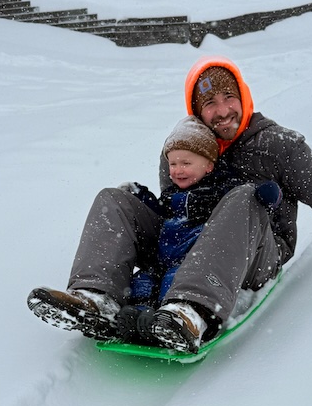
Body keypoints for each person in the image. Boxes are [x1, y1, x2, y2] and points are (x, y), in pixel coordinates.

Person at [28, 55, 312, 354]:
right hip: (196, 246)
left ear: (243, 95)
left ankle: (192, 312)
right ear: (196, 111)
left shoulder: (280, 145)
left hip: (258, 252)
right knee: (114, 199)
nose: (222, 111)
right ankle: (96, 298)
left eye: (228, 98)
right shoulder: (184, 147)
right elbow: (176, 209)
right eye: (209, 104)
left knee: (243, 197)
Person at [114, 116, 282, 345]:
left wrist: (266, 195)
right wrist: (139, 195)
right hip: (164, 260)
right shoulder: (172, 196)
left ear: (209, 165)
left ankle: (175, 317)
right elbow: (158, 210)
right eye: (172, 164)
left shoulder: (220, 189)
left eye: (186, 163)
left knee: (173, 283)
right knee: (143, 281)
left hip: (194, 264)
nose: (177, 170)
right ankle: (138, 317)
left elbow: (242, 210)